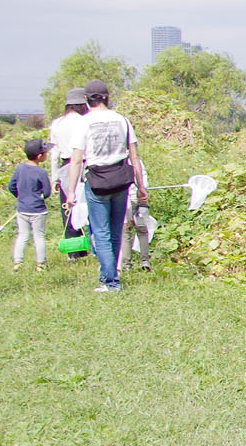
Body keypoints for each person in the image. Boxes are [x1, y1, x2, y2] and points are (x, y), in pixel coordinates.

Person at [64, 80, 145, 293]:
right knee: (116, 230)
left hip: (97, 180)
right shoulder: (122, 120)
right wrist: (141, 186)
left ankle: (109, 281)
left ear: (86, 100)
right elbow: (134, 157)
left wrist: (71, 192)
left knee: (100, 232)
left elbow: (76, 159)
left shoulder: (84, 123)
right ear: (107, 97)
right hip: (121, 179)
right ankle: (112, 273)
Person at [49, 88, 90, 259]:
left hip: (65, 167)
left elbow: (53, 154)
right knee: (88, 206)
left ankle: (73, 252)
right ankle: (92, 246)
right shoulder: (85, 121)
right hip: (85, 165)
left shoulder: (57, 124)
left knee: (68, 207)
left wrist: (54, 178)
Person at [8, 139, 53, 273]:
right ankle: (41, 264)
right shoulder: (41, 173)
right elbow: (47, 192)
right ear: (39, 156)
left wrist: (21, 197)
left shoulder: (20, 168)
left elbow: (11, 186)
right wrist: (40, 197)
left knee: (22, 235)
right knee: (38, 236)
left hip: (22, 209)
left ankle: (17, 262)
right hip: (38, 210)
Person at [117, 156, 153, 273]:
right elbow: (144, 179)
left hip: (124, 200)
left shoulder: (116, 164)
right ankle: (144, 260)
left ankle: (126, 264)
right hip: (139, 200)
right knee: (142, 230)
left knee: (125, 232)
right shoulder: (138, 162)